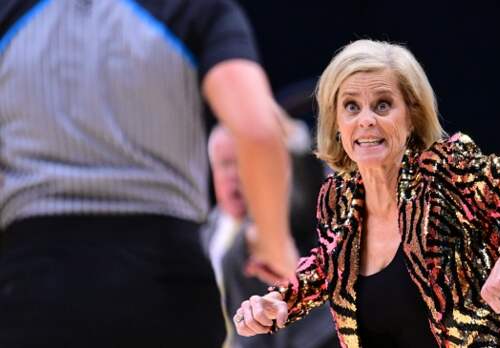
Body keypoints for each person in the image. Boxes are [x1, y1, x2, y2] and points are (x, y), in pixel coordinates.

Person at [232, 39, 500, 347]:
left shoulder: (447, 172)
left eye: (382, 105)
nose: (366, 120)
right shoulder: (337, 197)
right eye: (351, 107)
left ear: (411, 116)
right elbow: (326, 265)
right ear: (336, 122)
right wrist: (278, 301)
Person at [0, 0, 296, 347]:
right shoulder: (194, 9)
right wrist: (274, 245)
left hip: (32, 283)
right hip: (162, 284)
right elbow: (258, 131)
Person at [202, 124, 338, 348]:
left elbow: (307, 192)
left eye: (241, 162)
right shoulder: (202, 234)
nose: (233, 174)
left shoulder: (282, 213)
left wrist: (296, 140)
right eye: (225, 164)